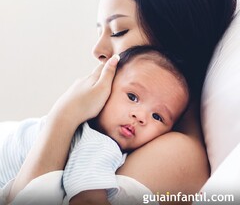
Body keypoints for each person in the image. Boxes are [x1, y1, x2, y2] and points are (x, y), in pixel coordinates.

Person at [3, 0, 237, 204]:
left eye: (118, 31)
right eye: (100, 31)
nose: (97, 51)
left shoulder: (177, 154)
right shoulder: (117, 125)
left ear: (175, 37)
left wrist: (64, 116)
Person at [1, 45, 189, 204]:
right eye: (132, 97)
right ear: (104, 86)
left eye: (157, 116)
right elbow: (86, 200)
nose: (140, 116)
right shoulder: (99, 143)